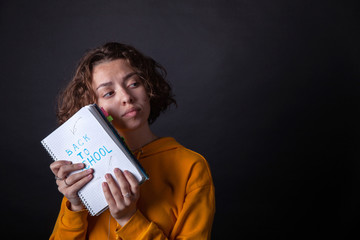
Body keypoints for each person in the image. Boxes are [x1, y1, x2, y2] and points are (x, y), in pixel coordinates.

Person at [49, 42, 215, 239]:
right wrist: (75, 206)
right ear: (92, 107)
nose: (126, 97)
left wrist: (128, 219)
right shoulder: (83, 170)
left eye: (134, 83)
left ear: (148, 88)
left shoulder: (192, 166)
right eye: (109, 93)